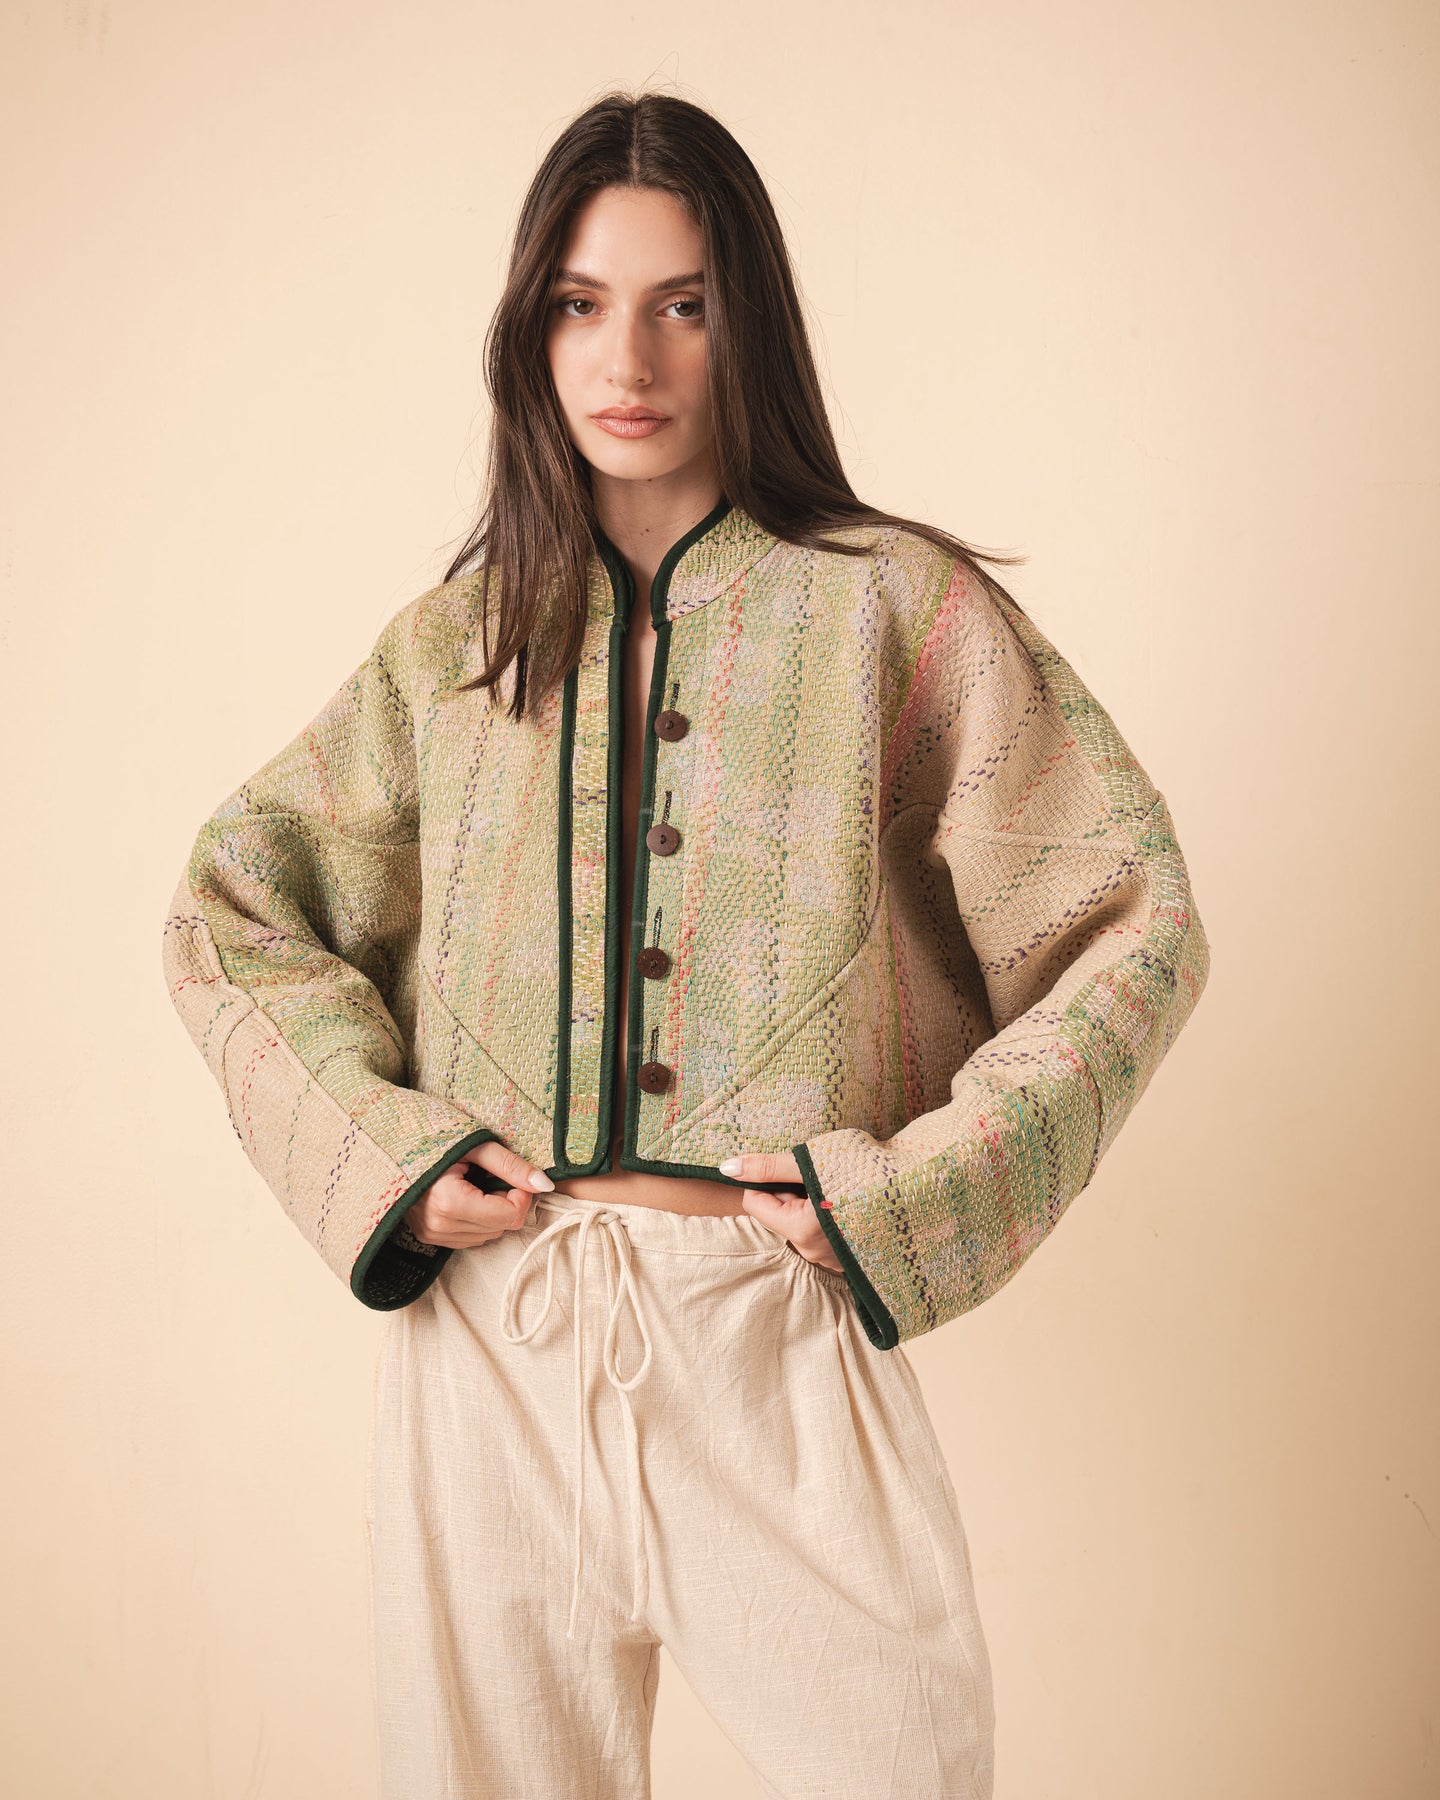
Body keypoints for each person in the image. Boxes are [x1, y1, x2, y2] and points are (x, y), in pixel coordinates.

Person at [161, 89, 1210, 1800]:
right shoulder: (455, 647)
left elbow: (1128, 923)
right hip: (489, 1348)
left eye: (684, 303)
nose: (626, 356)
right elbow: (234, 910)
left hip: (768, 1332)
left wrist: (905, 1196)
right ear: (530, 329)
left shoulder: (892, 608)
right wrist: (386, 1159)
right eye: (582, 303)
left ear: (750, 324)